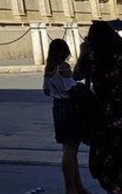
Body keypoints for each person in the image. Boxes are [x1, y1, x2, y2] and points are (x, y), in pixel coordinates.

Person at [74, 21, 122, 193]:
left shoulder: (92, 56)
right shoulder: (120, 52)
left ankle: (115, 187)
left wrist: (82, 52)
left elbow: (77, 75)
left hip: (104, 115)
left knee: (109, 157)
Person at [43, 38, 89, 194]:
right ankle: (70, 190)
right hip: (70, 108)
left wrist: (58, 89)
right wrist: (83, 54)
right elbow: (73, 84)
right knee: (70, 150)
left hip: (57, 107)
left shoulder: (48, 68)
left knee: (69, 149)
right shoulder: (63, 67)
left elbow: (46, 90)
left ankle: (78, 187)